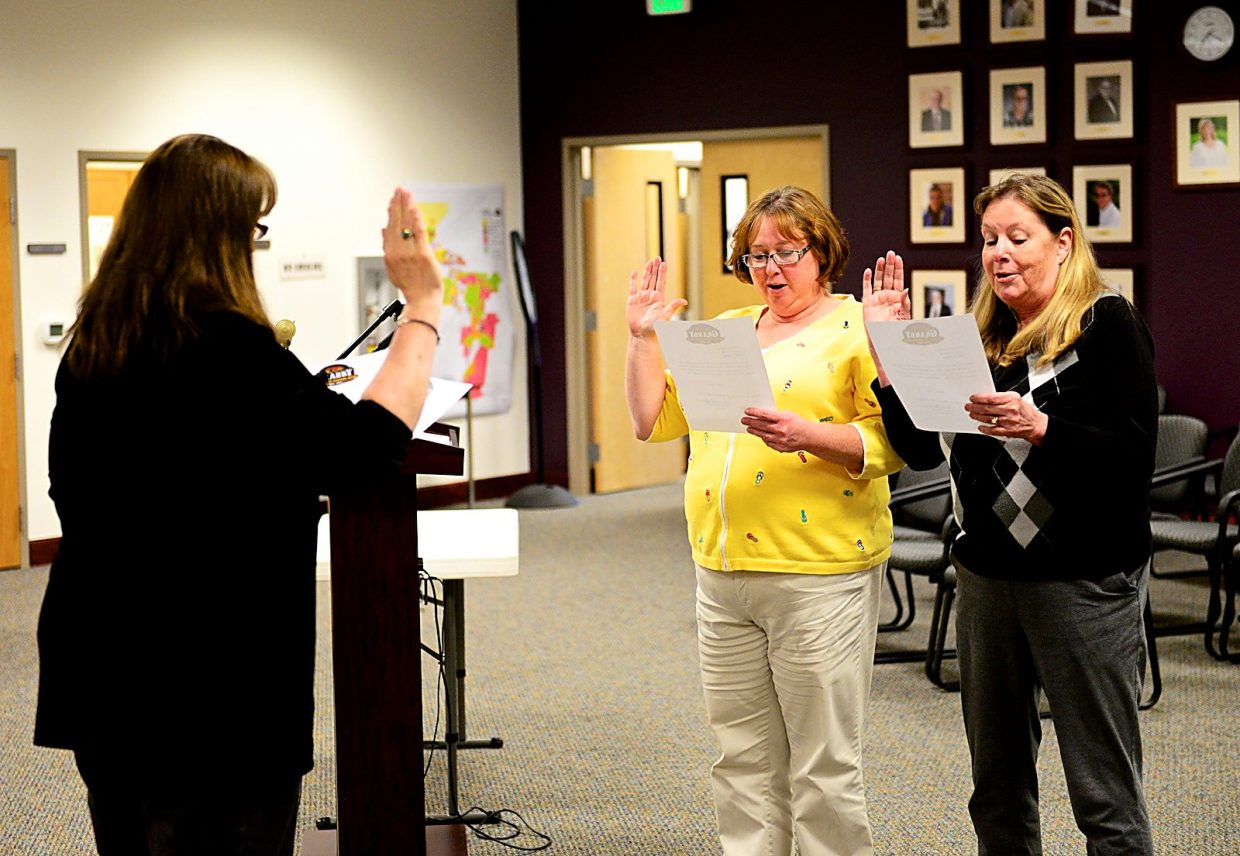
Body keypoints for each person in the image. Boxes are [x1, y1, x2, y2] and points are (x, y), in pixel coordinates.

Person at [34, 134, 444, 856]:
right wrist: (424, 306)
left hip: (106, 668)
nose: (257, 245)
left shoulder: (96, 342)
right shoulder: (230, 348)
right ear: (219, 236)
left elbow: (96, 484)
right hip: (217, 685)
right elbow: (363, 449)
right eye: (254, 228)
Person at [862, 173, 1157, 855]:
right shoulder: (976, 340)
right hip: (988, 581)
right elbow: (916, 452)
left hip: (1083, 581)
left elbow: (1132, 457)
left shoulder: (1107, 324)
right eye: (989, 239)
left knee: (1102, 790)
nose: (999, 253)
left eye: (1017, 238)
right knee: (995, 784)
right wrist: (887, 354)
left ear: (1063, 242)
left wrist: (1040, 428)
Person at [625, 186, 903, 855]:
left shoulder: (858, 326)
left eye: (787, 252)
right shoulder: (726, 327)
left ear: (821, 253)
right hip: (722, 573)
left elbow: (895, 446)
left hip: (817, 572)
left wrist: (809, 434)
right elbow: (650, 420)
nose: (771, 269)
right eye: (756, 257)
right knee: (741, 758)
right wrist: (641, 340)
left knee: (823, 765)